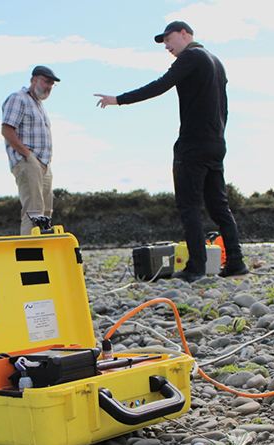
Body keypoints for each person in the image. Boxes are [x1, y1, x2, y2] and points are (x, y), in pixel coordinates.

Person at [95, 21, 249, 281]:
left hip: (193, 143)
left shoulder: (191, 57)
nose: (166, 45)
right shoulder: (216, 61)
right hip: (216, 142)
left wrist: (119, 99)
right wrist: (218, 136)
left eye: (169, 39)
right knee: (219, 206)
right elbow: (224, 106)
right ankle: (236, 262)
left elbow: (161, 84)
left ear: (185, 34)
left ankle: (196, 267)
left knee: (188, 206)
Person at [1, 66, 60, 235]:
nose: (49, 87)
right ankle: (30, 253)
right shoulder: (18, 98)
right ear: (34, 80)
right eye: (46, 82)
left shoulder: (39, 105)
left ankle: (44, 250)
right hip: (27, 160)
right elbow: (7, 130)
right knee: (33, 209)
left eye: (52, 84)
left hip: (44, 163)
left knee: (46, 210)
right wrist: (28, 155)